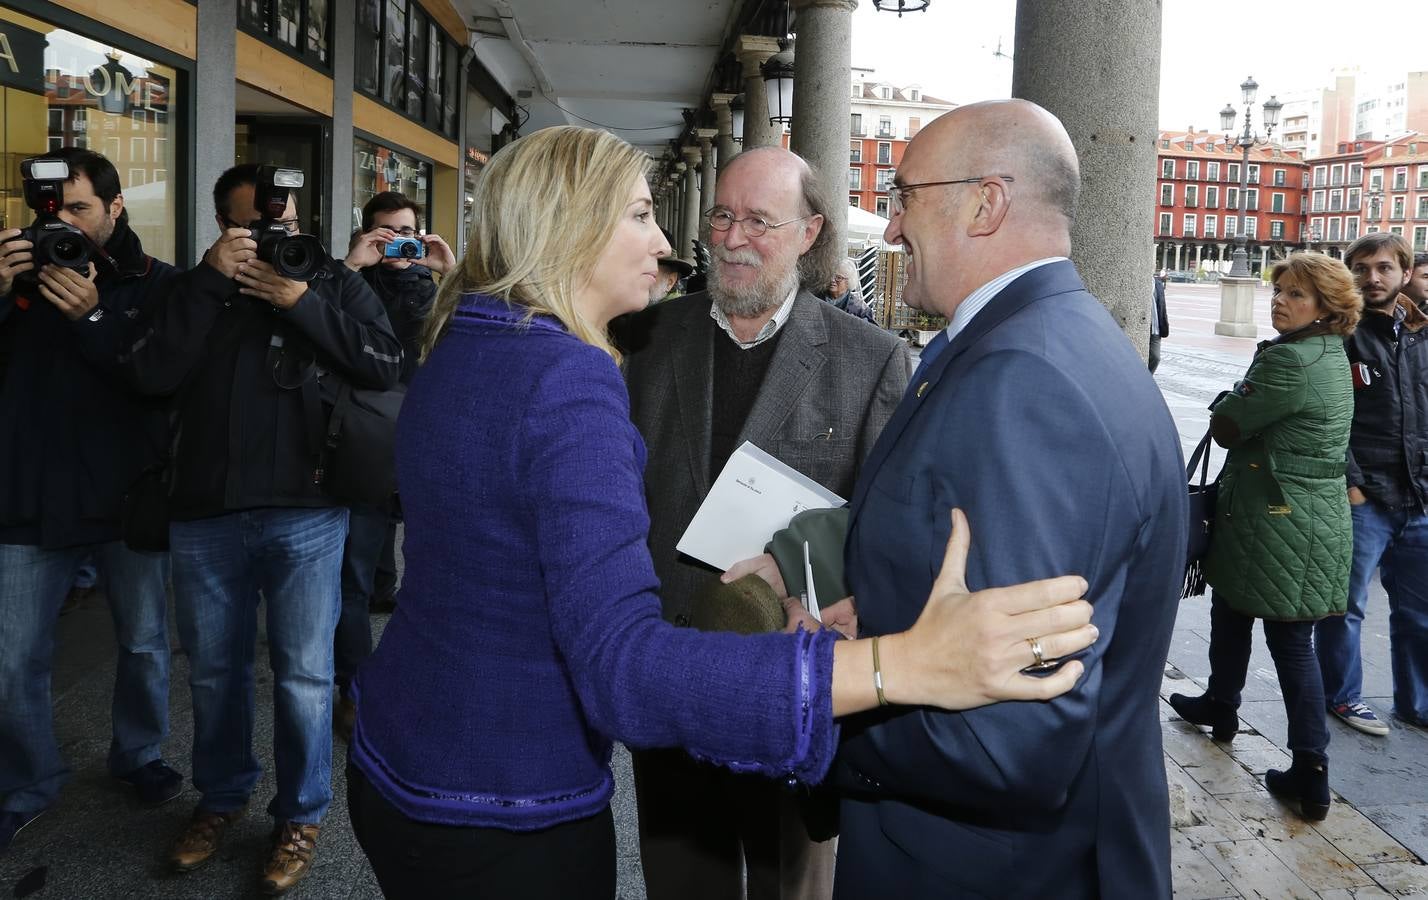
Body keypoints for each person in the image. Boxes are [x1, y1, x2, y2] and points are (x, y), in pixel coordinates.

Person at [343, 125, 1099, 899]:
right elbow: (622, 671)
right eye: (644, 214)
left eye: (757, 222)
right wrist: (906, 665)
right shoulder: (584, 369)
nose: (676, 241)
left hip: (409, 751)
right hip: (516, 790)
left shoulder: (464, 336)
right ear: (570, 226)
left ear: (809, 236)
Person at [828, 100, 1187, 898]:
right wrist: (886, 610)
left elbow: (1007, 739)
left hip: (982, 868)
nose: (890, 230)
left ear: (985, 202)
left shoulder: (1025, 378)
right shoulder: (1053, 335)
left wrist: (828, 693)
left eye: (904, 196)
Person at [616, 145, 910, 900]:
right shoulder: (647, 340)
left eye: (759, 221)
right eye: (722, 216)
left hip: (792, 681)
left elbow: (887, 522)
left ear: (811, 234)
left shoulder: (869, 359)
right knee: (682, 882)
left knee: (791, 884)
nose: (733, 238)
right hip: (672, 674)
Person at [125, 164, 401, 894]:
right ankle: (220, 799)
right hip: (205, 511)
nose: (276, 234)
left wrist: (300, 300)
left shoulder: (333, 281)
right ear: (225, 226)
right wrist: (213, 282)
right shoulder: (196, 288)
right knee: (214, 673)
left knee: (306, 679)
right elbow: (149, 374)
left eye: (285, 221)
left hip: (307, 511)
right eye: (257, 225)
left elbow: (383, 363)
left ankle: (301, 813)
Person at [0, 148, 182, 851]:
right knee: (14, 657)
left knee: (142, 642)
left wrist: (96, 317)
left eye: (79, 209)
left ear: (115, 208)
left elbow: (161, 380)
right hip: (26, 494)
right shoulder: (18, 279)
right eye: (51, 210)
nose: (63, 223)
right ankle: (26, 781)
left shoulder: (155, 283)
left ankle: (139, 754)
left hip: (125, 494)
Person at [1169, 252, 1359, 821]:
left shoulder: (1291, 363)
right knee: (1231, 607)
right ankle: (1220, 702)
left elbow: (1227, 426)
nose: (1280, 301)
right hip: (1293, 513)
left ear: (1326, 308)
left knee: (1290, 643)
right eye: (1278, 290)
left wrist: (1233, 397)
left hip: (1280, 517)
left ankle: (1310, 769)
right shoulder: (1327, 352)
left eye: (1296, 295)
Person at [333, 191, 455, 741]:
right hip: (362, 440)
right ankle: (353, 687)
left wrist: (452, 276)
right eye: (384, 234)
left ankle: (422, 681)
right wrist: (349, 268)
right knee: (353, 574)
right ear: (364, 235)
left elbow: (467, 346)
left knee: (430, 572)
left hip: (424, 441)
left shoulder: (435, 289)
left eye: (406, 231)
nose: (397, 244)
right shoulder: (346, 283)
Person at [1314, 232, 1428, 735]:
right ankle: (1342, 697)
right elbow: (1326, 419)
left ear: (1405, 273)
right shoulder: (1338, 336)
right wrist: (1352, 486)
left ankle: (1416, 704)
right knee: (1345, 607)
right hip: (1365, 496)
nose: (1373, 277)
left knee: (1419, 612)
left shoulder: (1424, 334)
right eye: (1362, 268)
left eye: (1384, 267)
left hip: (1420, 496)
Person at [823, 258, 877, 324]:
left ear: (848, 281)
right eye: (830, 276)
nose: (832, 280)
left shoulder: (859, 308)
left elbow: (872, 330)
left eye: (838, 278)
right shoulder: (817, 298)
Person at [1149, 271, 1170, 373]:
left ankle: (1146, 379)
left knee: (1156, 358)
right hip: (1144, 325)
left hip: (1156, 328)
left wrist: (1164, 323)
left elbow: (1162, 306)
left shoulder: (1158, 284)